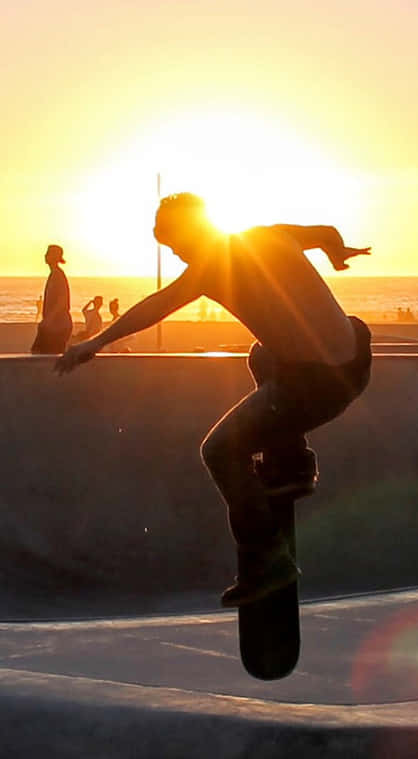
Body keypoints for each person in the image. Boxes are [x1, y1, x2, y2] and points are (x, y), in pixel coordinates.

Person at [56, 194, 373, 604]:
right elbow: (326, 234)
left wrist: (95, 343)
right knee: (261, 353)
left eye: (177, 247)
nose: (179, 257)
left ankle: (267, 561)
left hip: (318, 387)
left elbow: (156, 306)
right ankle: (294, 460)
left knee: (219, 451)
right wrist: (337, 253)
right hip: (356, 357)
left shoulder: (208, 267)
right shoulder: (269, 235)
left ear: (192, 233)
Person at [31, 245, 72, 355]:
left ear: (54, 256)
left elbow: (62, 301)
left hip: (58, 326)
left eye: (48, 253)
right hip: (53, 325)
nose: (45, 255)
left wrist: (49, 319)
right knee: (39, 352)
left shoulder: (58, 275)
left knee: (44, 355)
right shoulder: (54, 274)